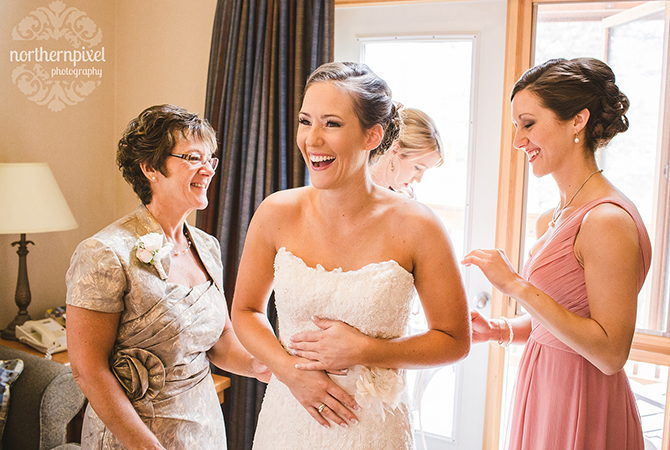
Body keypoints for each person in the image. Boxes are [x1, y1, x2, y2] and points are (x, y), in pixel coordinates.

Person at [231, 62, 471, 449]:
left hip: (374, 430)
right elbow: (245, 312)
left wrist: (367, 350)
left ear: (372, 135)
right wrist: (290, 372)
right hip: (289, 419)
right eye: (305, 121)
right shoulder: (276, 212)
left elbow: (455, 340)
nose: (312, 139)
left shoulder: (419, 227)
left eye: (332, 124)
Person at [462, 58, 652, 450]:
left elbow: (610, 353)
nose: (518, 141)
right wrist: (499, 330)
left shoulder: (606, 220)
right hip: (544, 389)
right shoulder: (552, 217)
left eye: (528, 124)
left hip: (584, 399)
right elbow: (559, 324)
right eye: (516, 126)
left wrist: (516, 285)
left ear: (577, 121)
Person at [65, 104, 270, 450]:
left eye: (210, 159)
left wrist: (259, 365)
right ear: (150, 168)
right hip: (132, 437)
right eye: (193, 158)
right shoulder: (104, 252)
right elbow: (89, 371)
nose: (208, 169)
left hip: (203, 429)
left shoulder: (207, 246)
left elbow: (220, 339)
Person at [368, 107, 443, 197]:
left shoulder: (406, 197)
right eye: (417, 168)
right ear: (395, 151)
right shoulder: (355, 190)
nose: (418, 179)